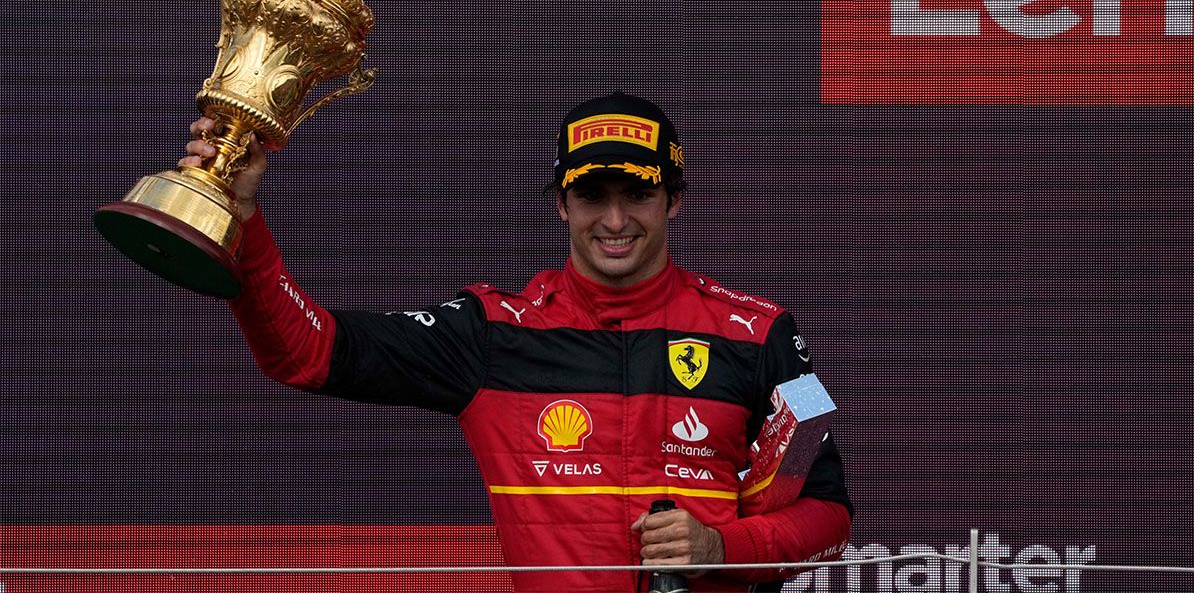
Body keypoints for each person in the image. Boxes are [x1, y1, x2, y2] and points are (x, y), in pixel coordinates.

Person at [182, 91, 853, 592]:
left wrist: (718, 548)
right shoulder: (494, 332)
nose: (615, 221)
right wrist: (244, 220)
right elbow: (305, 350)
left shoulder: (763, 332)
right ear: (561, 202)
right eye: (591, 196)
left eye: (639, 195)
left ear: (674, 199)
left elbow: (828, 516)